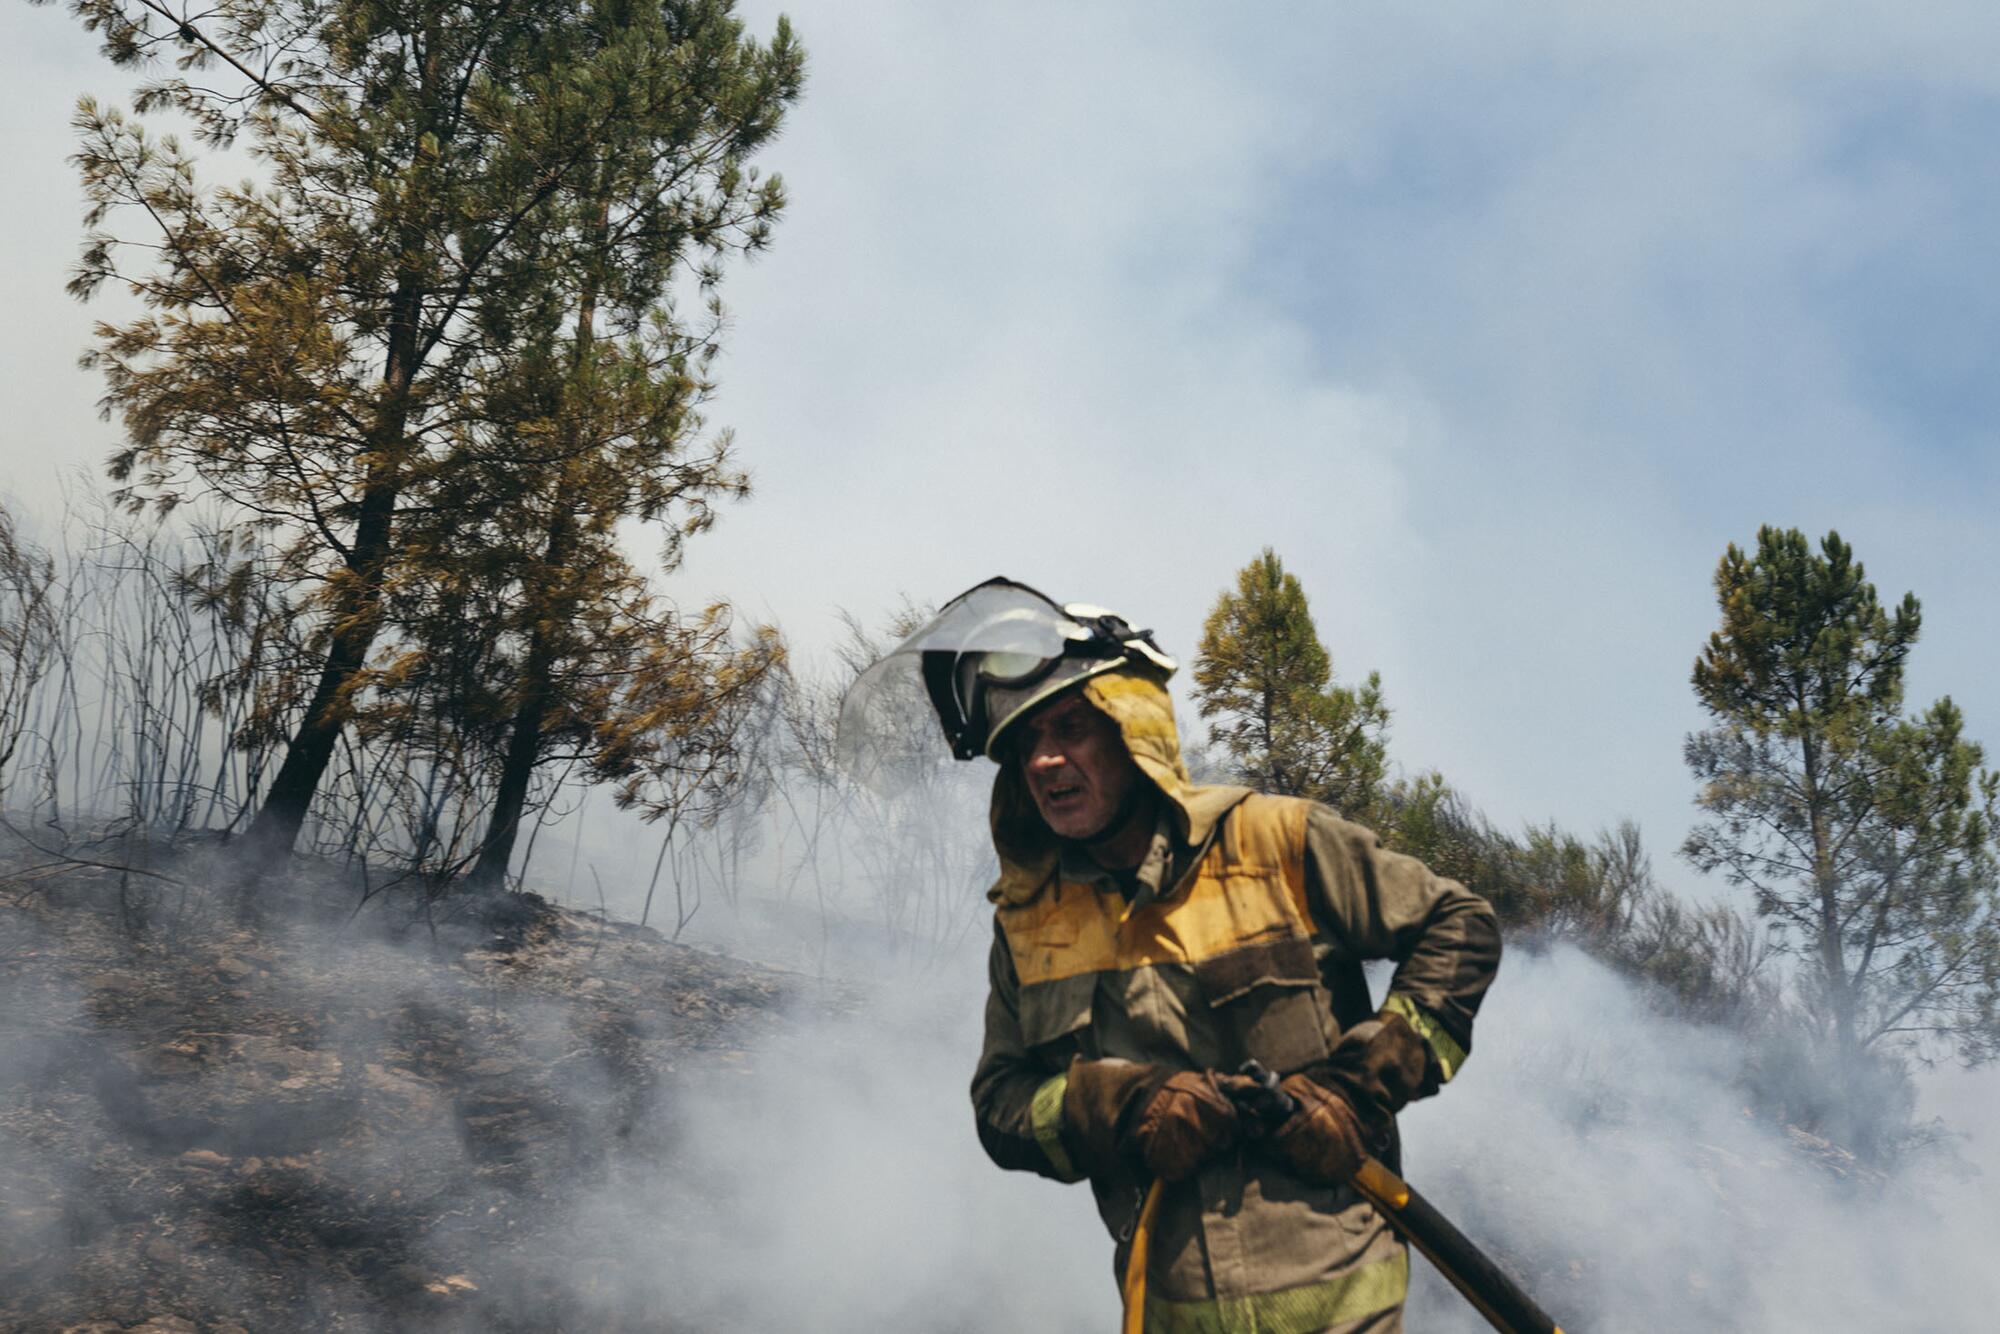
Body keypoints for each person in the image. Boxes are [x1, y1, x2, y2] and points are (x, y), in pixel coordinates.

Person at [859, 578, 1501, 1333]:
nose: (1044, 760)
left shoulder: (1275, 841)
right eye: (1026, 743)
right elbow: (1001, 1108)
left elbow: (1460, 925)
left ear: (1132, 729)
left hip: (1344, 1306)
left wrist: (1362, 1087)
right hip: (1168, 1311)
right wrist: (1127, 1106)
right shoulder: (1032, 925)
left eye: (1070, 726)